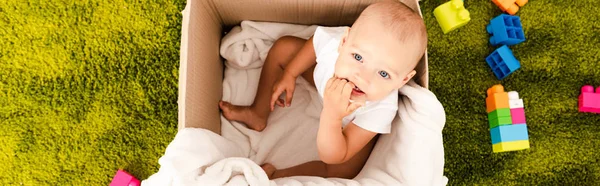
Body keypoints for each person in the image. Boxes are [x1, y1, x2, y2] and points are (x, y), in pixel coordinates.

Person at [218, 0, 427, 179]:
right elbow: (314, 45)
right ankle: (258, 112)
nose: (361, 77)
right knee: (283, 48)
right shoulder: (335, 42)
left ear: (403, 80)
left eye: (383, 74)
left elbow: (333, 155)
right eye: (358, 57)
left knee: (342, 169)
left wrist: (332, 116)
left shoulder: (380, 109)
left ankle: (277, 176)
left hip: (347, 128)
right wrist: (290, 74)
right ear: (344, 42)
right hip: (321, 81)